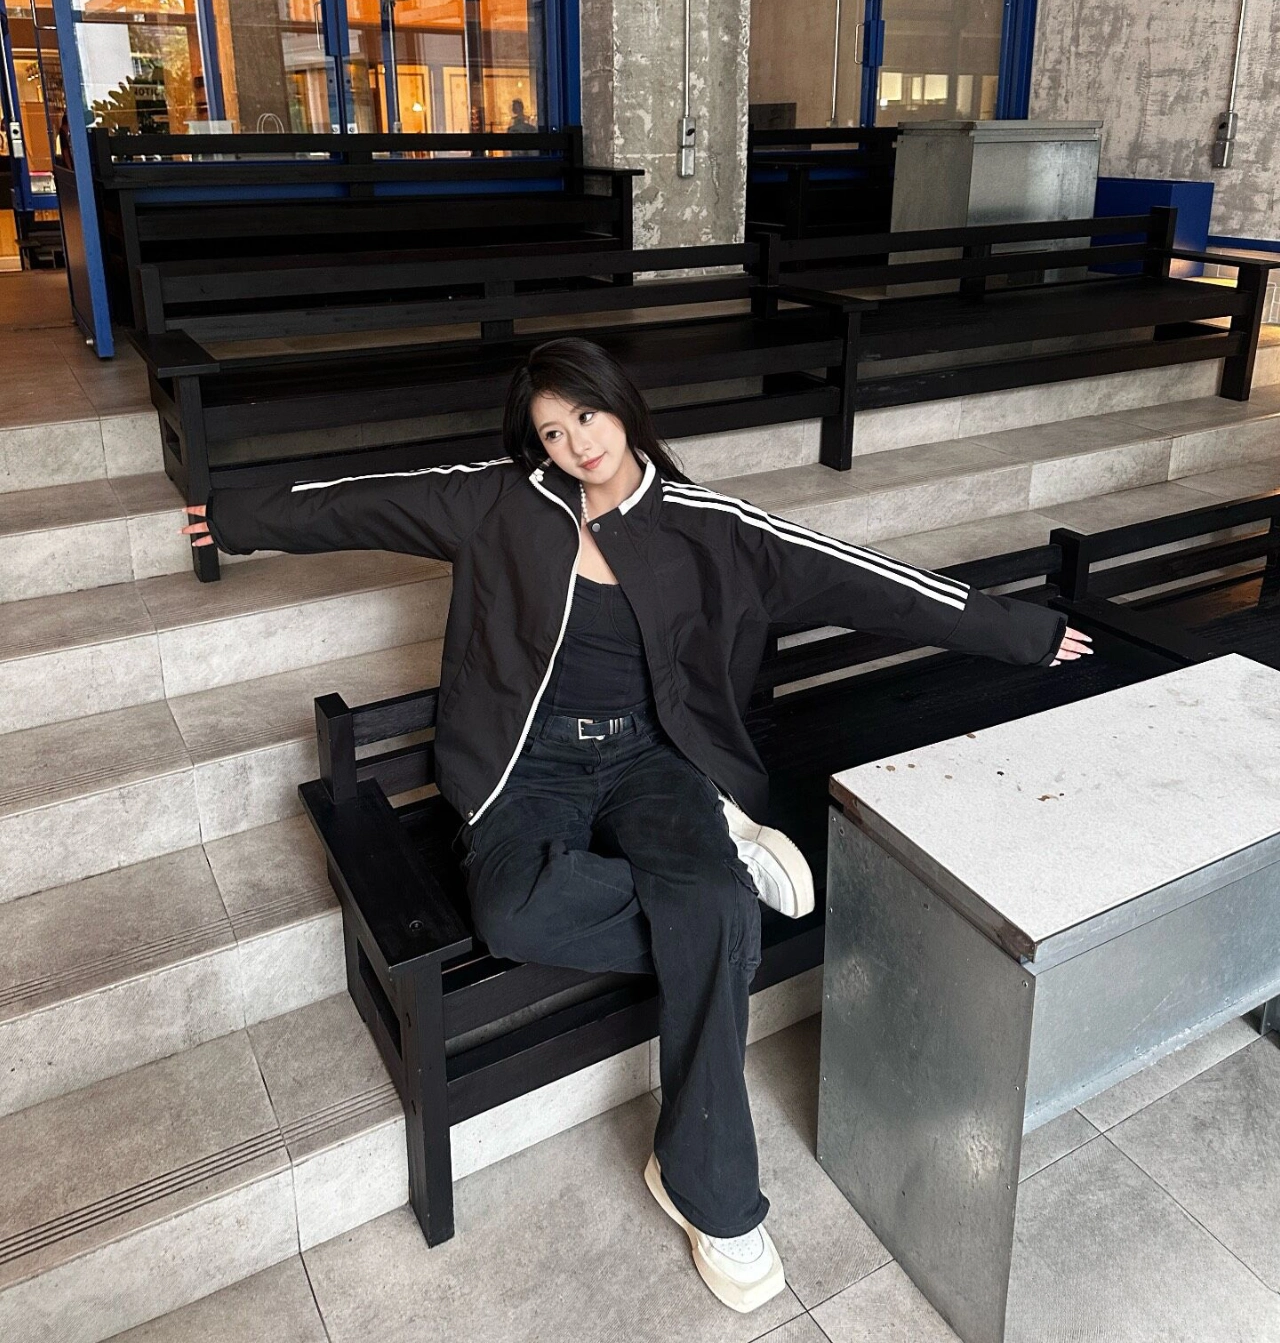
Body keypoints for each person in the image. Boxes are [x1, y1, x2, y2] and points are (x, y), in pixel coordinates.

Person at [182, 337, 1090, 1315]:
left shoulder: (705, 526)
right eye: (551, 431)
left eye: (586, 414)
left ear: (620, 404)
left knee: (708, 910)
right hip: (527, 768)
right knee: (529, 910)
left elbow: (855, 577)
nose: (577, 442)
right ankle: (722, 886)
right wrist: (232, 516)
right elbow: (361, 502)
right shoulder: (499, 505)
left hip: (655, 761)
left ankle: (711, 1194)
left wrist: (1020, 632)